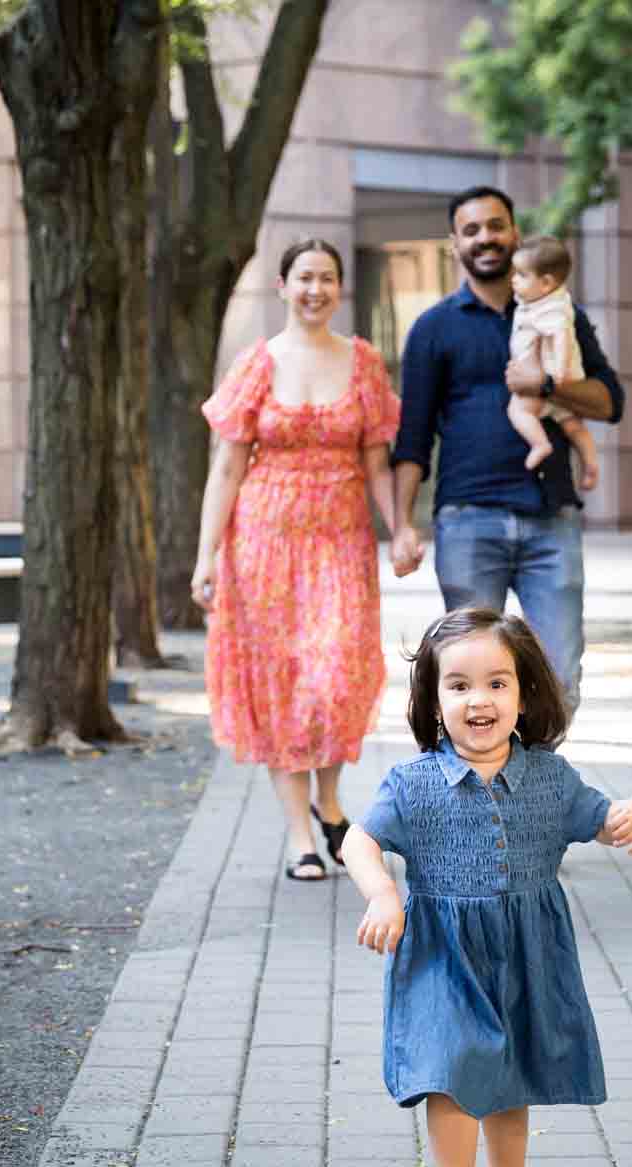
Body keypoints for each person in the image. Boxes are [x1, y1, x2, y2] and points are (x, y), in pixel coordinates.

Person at [341, 607, 632, 1167]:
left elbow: (603, 818)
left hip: (525, 951)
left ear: (525, 691)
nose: (478, 699)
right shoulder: (413, 783)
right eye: (457, 685)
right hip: (441, 955)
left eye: (496, 683)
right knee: (451, 1070)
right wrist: (382, 893)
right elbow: (359, 839)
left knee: (510, 1076)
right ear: (432, 698)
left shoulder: (548, 777)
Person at [192, 237, 404, 882]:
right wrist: (206, 557)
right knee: (282, 685)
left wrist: (401, 531)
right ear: (283, 286)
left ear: (340, 288)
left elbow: (376, 461)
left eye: (328, 278)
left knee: (335, 678)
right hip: (263, 547)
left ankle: (331, 800)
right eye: (304, 277)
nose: (316, 289)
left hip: (341, 543)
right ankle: (300, 837)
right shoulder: (257, 364)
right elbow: (226, 468)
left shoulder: (363, 362)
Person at [391, 185, 626, 714]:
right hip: (468, 521)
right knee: (471, 683)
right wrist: (402, 524)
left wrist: (546, 384)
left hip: (552, 522)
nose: (486, 238)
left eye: (496, 225)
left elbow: (611, 401)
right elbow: (412, 437)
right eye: (471, 230)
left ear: (515, 232)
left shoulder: (564, 317)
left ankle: (535, 792)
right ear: (456, 244)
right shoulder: (434, 328)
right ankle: (480, 793)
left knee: (558, 678)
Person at [506, 235, 601, 487]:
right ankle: (591, 464)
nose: (513, 279)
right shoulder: (550, 300)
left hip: (546, 380)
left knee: (517, 410)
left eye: (522, 275)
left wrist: (555, 375)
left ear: (546, 283)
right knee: (572, 425)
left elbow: (560, 337)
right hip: (561, 382)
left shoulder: (551, 311)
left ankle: (539, 444)